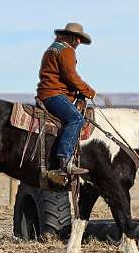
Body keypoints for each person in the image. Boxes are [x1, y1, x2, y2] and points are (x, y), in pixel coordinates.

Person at [37, 22, 96, 176]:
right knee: (76, 119)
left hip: (47, 92)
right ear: (73, 38)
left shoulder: (52, 48)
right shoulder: (66, 50)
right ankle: (65, 160)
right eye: (78, 39)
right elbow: (70, 76)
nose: (78, 43)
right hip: (54, 94)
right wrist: (88, 91)